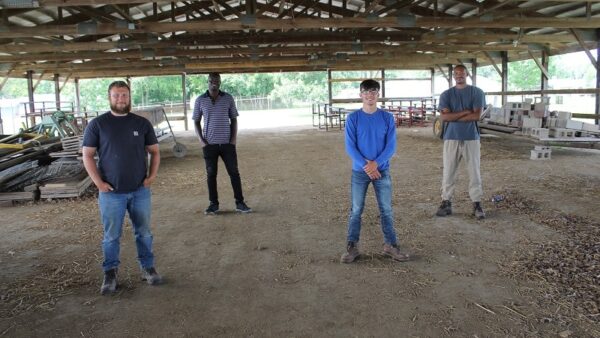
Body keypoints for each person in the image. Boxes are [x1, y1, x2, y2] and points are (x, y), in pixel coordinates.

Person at [82, 81, 162, 295]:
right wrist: (99, 183)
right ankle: (110, 273)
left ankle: (148, 268)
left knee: (143, 232)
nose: (121, 99)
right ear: (109, 97)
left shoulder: (142, 123)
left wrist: (152, 176)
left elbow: (154, 151)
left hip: (139, 191)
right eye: (116, 95)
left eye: (124, 95)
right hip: (111, 194)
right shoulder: (98, 124)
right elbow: (87, 155)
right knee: (111, 236)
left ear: (129, 96)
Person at [341, 79, 411, 264]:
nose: (369, 95)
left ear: (378, 94)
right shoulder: (353, 118)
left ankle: (390, 245)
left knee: (386, 209)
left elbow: (391, 147)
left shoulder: (387, 118)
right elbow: (350, 147)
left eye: (373, 91)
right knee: (356, 210)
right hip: (359, 172)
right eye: (366, 91)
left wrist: (376, 164)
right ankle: (352, 246)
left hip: (382, 171)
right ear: (360, 95)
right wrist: (367, 166)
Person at [193, 72, 252, 215]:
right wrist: (202, 141)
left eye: (217, 80)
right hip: (210, 145)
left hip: (227, 144)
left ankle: (240, 203)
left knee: (234, 173)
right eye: (212, 80)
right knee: (211, 175)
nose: (215, 82)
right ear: (208, 81)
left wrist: (233, 140)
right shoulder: (200, 100)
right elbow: (196, 121)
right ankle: (213, 204)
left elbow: (234, 119)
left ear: (220, 82)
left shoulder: (228, 98)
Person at [435, 64, 486, 220]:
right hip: (451, 137)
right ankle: (446, 201)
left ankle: (477, 202)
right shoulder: (446, 95)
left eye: (462, 73)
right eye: (456, 73)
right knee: (449, 170)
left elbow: (477, 116)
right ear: (453, 75)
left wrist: (455, 115)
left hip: (471, 137)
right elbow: (445, 117)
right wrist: (466, 111)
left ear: (467, 74)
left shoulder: (476, 92)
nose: (459, 76)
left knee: (474, 171)